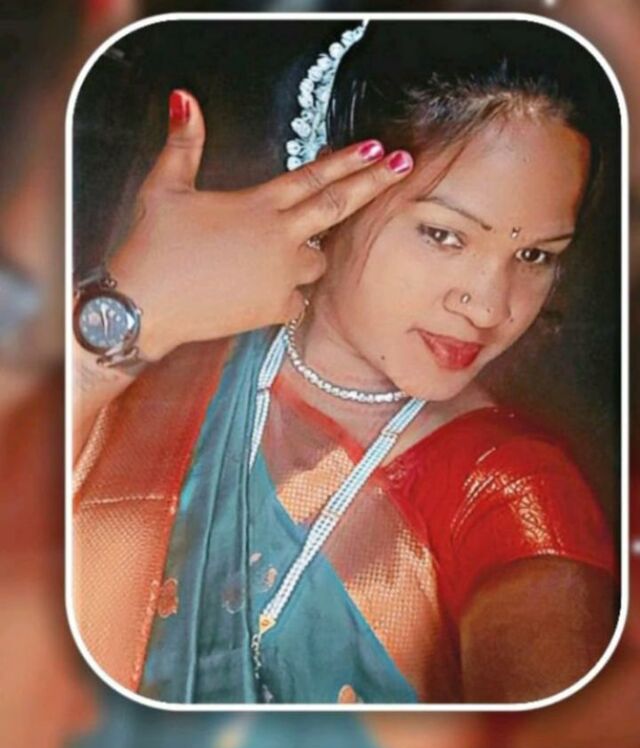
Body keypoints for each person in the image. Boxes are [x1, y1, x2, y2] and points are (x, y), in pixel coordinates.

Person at [73, 20, 618, 704]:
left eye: (534, 255)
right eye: (444, 235)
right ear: (334, 185)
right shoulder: (162, 359)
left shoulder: (507, 487)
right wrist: (129, 309)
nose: (488, 306)